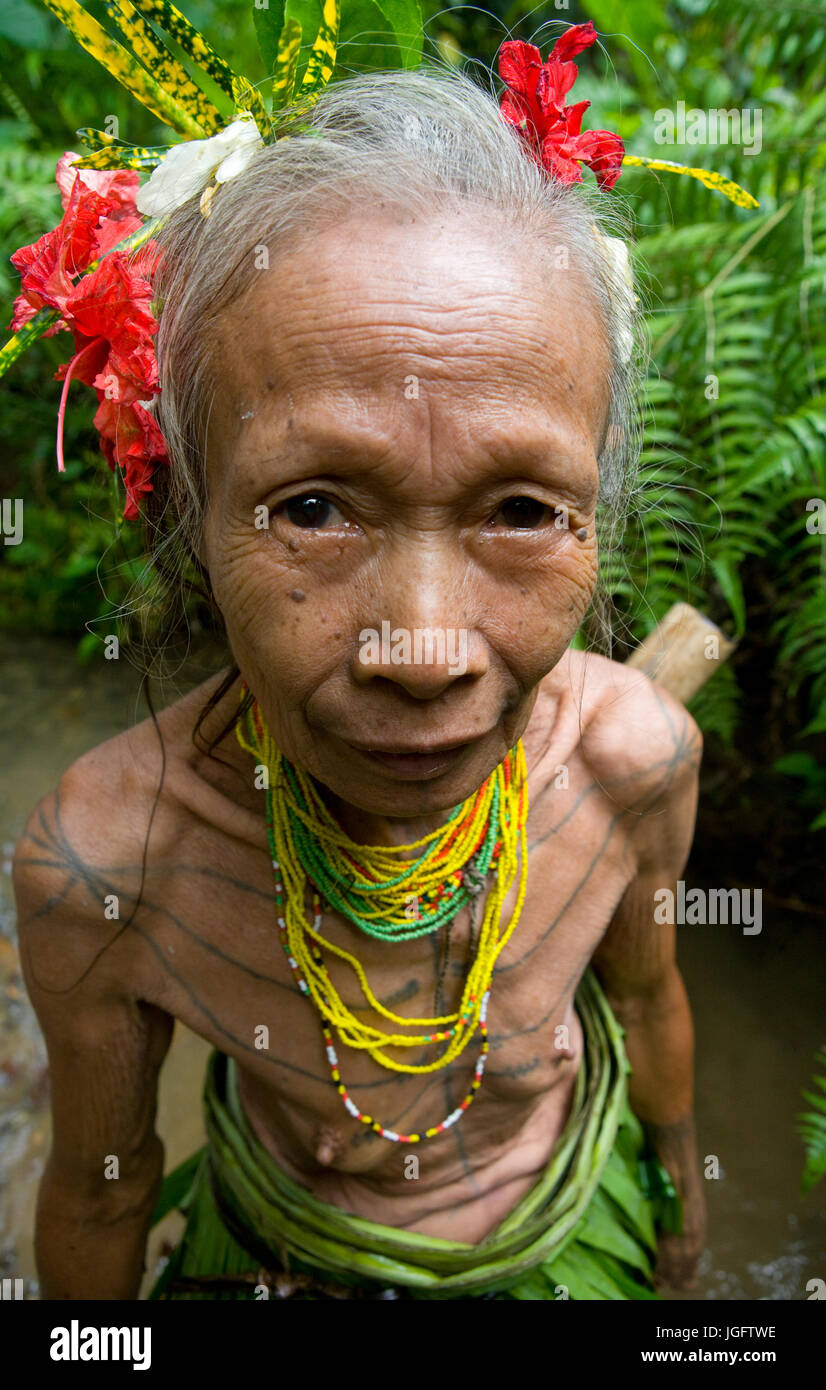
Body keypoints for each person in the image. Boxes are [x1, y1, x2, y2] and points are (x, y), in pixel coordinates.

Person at [12, 58, 707, 1301]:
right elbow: (104, 1188)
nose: (423, 650)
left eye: (521, 509)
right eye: (316, 507)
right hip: (276, 1253)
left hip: (568, 1232)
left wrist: (682, 1223)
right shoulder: (110, 861)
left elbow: (650, 1007)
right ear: (187, 513)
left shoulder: (633, 759)